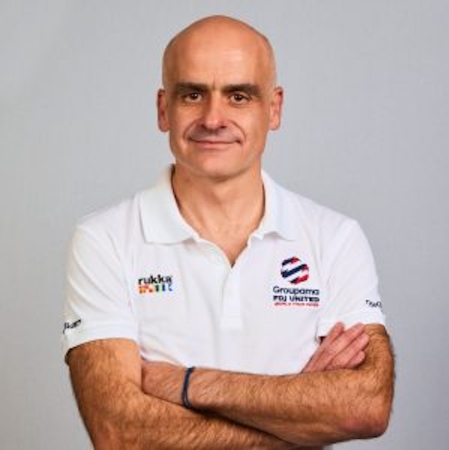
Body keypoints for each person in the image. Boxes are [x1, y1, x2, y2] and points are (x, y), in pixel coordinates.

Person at [63, 15, 394, 449]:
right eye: (193, 95)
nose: (213, 118)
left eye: (238, 96)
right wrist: (299, 415)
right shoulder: (105, 240)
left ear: (273, 109)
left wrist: (187, 384)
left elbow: (366, 406)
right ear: (163, 109)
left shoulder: (334, 239)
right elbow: (121, 433)